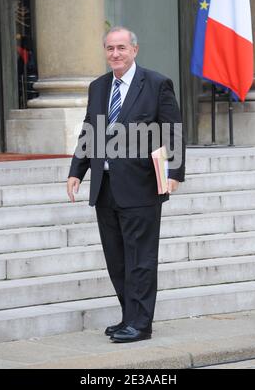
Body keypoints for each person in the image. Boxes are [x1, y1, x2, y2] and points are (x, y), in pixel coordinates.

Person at [67, 27, 185, 343]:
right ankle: (128, 317)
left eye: (121, 47)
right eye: (110, 48)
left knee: (141, 259)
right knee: (117, 260)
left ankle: (141, 324)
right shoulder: (99, 87)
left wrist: (173, 172)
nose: (115, 54)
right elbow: (88, 132)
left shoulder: (157, 84)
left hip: (143, 186)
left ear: (134, 49)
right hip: (104, 188)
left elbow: (171, 130)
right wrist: (76, 170)